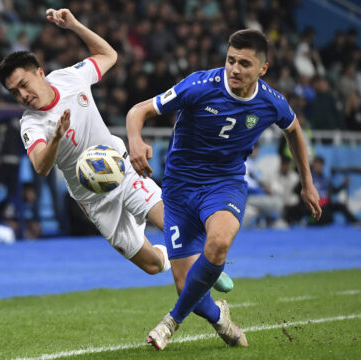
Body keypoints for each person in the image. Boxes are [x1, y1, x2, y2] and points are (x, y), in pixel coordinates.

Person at [0, 8, 232, 289]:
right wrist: (56, 137)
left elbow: (109, 56)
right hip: (93, 197)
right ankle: (173, 256)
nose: (22, 95)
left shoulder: (70, 78)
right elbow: (40, 166)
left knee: (171, 224)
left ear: (40, 73)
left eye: (23, 84)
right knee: (152, 266)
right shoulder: (31, 124)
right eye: (14, 92)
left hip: (122, 168)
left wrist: (75, 26)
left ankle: (206, 265)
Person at [127, 29, 321, 350]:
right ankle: (220, 317)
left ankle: (171, 322)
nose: (234, 69)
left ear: (263, 69)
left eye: (245, 63)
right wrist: (135, 140)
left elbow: (294, 130)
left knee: (218, 242)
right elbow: (139, 111)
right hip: (178, 190)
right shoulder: (199, 85)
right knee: (185, 285)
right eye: (231, 60)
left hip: (224, 185)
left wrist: (308, 183)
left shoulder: (271, 102)